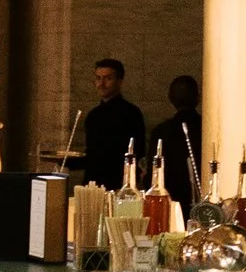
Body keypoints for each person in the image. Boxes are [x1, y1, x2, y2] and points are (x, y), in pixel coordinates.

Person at [80, 57, 145, 191]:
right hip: (93, 185)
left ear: (120, 81)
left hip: (119, 185)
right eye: (98, 78)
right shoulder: (93, 115)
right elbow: (91, 154)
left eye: (107, 79)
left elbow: (138, 151)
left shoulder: (131, 113)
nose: (101, 84)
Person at [156, 75, 206, 212]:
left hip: (171, 202)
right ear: (198, 98)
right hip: (204, 200)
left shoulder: (161, 132)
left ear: (170, 99)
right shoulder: (209, 129)